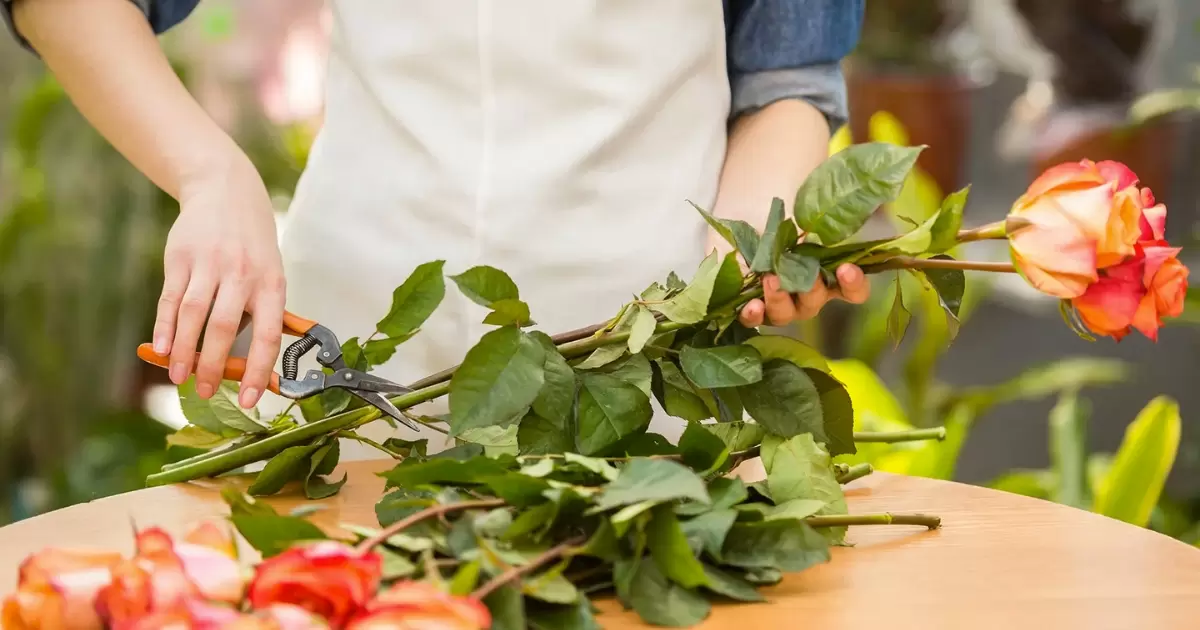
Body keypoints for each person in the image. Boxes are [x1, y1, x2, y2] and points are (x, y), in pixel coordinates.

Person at [6, 0, 869, 451]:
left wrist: (750, 250)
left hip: (645, 382)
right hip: (345, 371)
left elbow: (786, 76)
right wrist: (208, 173)